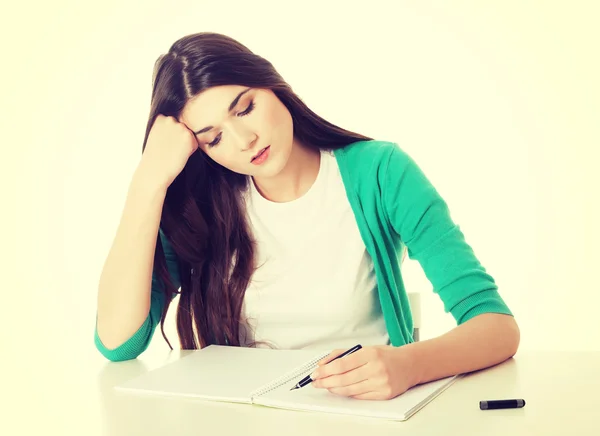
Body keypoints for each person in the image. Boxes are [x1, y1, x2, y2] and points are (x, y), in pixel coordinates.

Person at [95, 32, 520, 400]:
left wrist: (407, 365)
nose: (244, 141)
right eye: (214, 138)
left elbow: (496, 327)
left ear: (272, 84)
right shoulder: (202, 209)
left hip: (366, 414)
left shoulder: (379, 171)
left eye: (245, 108)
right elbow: (118, 343)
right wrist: (147, 184)